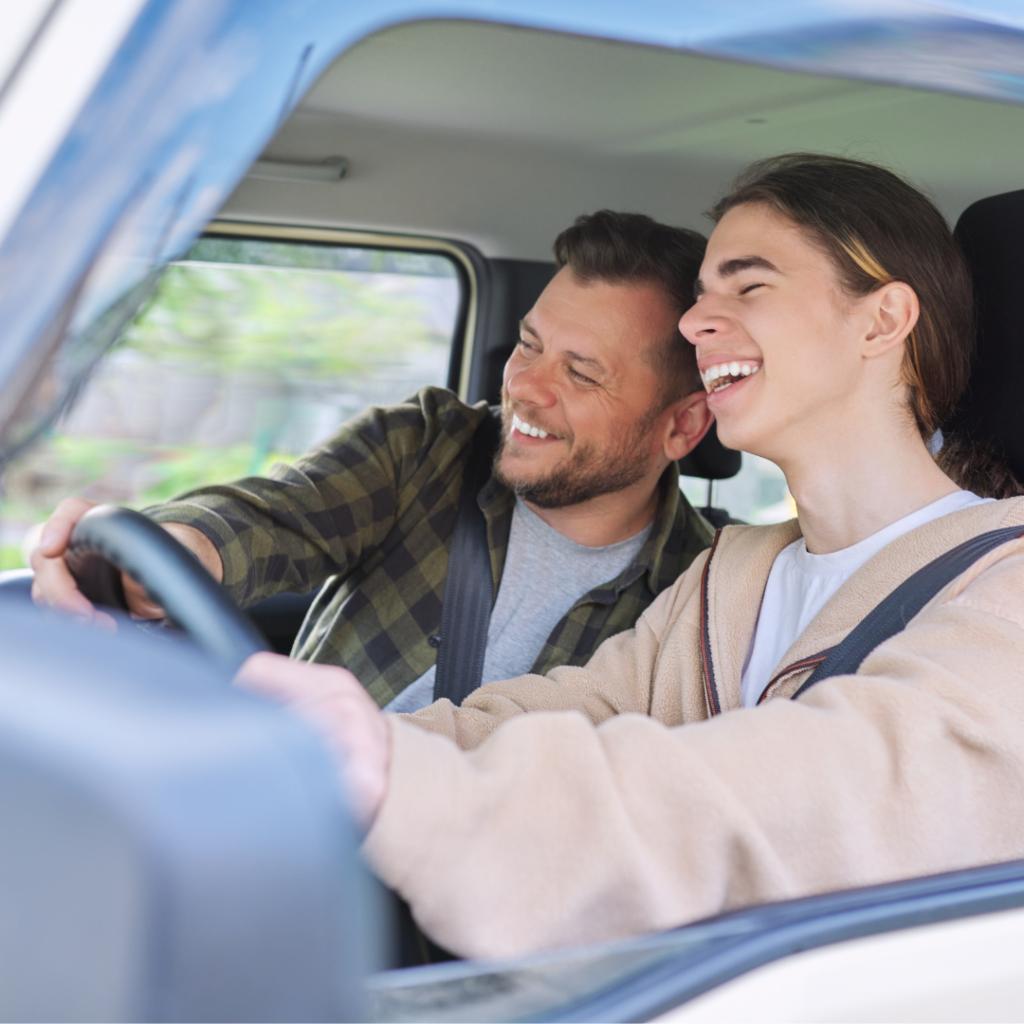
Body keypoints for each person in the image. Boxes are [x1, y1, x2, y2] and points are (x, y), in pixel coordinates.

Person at [236, 153, 1024, 961]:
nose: (693, 323)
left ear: (882, 321)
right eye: (702, 296)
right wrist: (300, 748)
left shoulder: (1005, 590)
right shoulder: (731, 576)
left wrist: (406, 787)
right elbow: (558, 713)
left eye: (748, 286)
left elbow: (809, 792)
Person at [31, 211, 716, 709]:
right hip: (302, 835)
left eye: (583, 373)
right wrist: (165, 558)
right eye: (528, 344)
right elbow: (275, 518)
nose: (524, 388)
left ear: (682, 425)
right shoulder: (426, 449)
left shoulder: (706, 593)